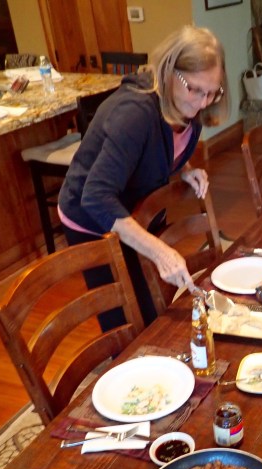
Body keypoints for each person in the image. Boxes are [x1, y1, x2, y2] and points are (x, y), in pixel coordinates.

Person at [58, 25, 230, 328]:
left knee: (151, 305)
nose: (203, 102)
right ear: (169, 71)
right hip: (92, 217)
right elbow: (95, 197)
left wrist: (184, 168)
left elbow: (160, 147)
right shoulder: (135, 113)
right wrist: (159, 251)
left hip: (135, 208)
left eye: (212, 92)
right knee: (125, 319)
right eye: (195, 90)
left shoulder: (190, 105)